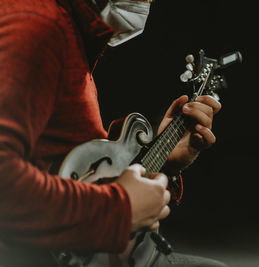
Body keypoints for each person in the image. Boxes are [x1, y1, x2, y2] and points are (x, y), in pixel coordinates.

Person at [0, 0, 227, 266]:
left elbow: (66, 168)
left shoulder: (66, 31)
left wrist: (162, 161)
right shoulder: (38, 24)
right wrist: (118, 210)